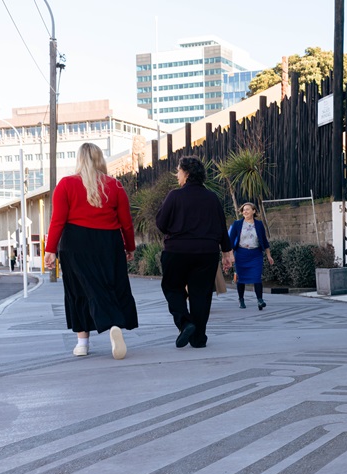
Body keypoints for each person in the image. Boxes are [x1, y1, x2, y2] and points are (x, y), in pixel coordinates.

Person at [44, 142, 138, 359]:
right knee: (110, 285)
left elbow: (57, 220)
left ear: (79, 160)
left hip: (75, 242)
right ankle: (114, 324)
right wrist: (130, 247)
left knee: (78, 291)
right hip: (109, 241)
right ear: (100, 159)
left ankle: (82, 343)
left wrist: (50, 250)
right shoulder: (115, 186)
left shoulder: (66, 184)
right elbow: (126, 223)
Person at [156, 155, 234, 348]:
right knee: (201, 294)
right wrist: (226, 252)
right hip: (206, 253)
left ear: (187, 174)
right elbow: (221, 226)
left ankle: (185, 323)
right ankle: (198, 338)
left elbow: (161, 224)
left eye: (179, 171)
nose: (177, 175)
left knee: (173, 288)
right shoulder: (212, 198)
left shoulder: (174, 196)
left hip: (177, 251)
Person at [228, 202, 274, 310]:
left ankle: (260, 300)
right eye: (244, 210)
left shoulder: (259, 224)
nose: (245, 211)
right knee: (241, 278)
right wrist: (231, 255)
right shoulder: (237, 224)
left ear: (254, 211)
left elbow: (264, 241)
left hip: (255, 254)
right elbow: (230, 242)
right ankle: (241, 299)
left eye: (248, 209)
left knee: (257, 277)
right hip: (241, 254)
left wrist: (269, 255)